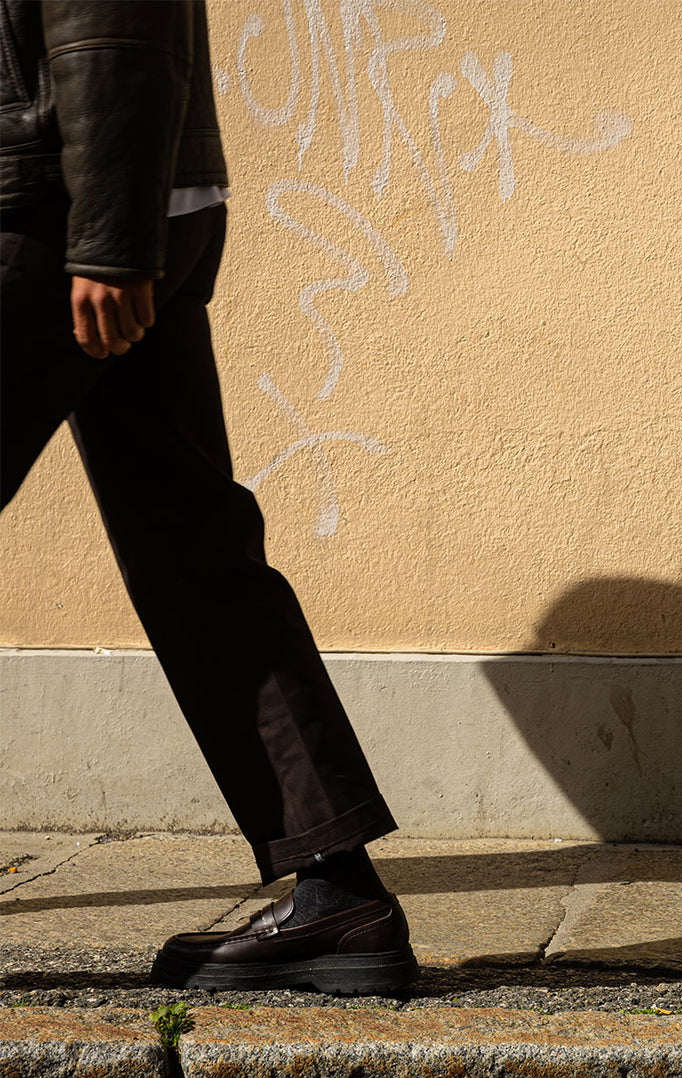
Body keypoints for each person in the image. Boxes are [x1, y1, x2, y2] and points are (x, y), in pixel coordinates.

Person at [0, 0, 417, 995]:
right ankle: (336, 892)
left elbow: (107, 13)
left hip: (59, 211)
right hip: (110, 198)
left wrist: (108, 238)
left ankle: (337, 893)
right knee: (195, 553)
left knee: (196, 550)